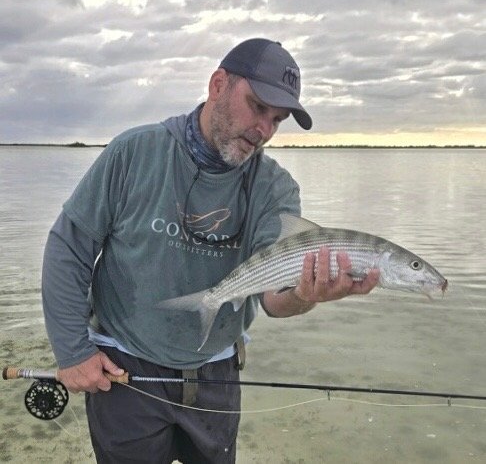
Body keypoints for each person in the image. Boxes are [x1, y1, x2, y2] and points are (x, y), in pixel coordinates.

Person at [42, 38, 379, 463]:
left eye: (277, 120)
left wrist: (303, 296)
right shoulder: (135, 152)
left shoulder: (275, 190)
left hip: (217, 373)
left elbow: (274, 298)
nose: (264, 130)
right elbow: (68, 248)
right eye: (258, 107)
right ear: (218, 84)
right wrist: (73, 351)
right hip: (124, 369)